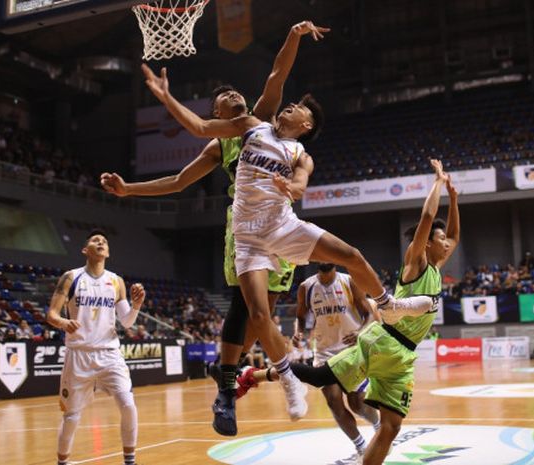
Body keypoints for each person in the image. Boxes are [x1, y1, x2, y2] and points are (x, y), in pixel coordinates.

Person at [140, 62, 434, 437]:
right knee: (257, 313)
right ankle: (284, 378)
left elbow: (299, 185)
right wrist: (166, 97)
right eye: (290, 104)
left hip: (282, 226)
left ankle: (388, 306)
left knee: (352, 256)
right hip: (245, 235)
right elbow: (202, 127)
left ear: (306, 125)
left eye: (298, 108)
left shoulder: (299, 152)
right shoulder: (250, 126)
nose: (289, 107)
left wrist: (290, 189)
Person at [101, 20, 328, 437]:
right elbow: (176, 182)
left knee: (261, 320)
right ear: (216, 114)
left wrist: (292, 35)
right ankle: (228, 391)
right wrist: (128, 189)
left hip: (279, 223)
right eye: (223, 96)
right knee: (248, 311)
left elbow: (278, 73)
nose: (233, 94)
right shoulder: (219, 142)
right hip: (243, 227)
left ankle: (227, 371)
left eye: (234, 90)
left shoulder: (262, 118)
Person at [239, 160, 459, 465]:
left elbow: (456, 235)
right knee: (320, 380)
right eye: (440, 239)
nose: (447, 243)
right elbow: (426, 216)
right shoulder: (416, 263)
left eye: (446, 240)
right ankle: (254, 375)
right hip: (382, 341)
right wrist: (437, 183)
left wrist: (455, 198)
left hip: (404, 355)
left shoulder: (438, 265)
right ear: (427, 245)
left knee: (392, 427)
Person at [46, 230, 146, 465]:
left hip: (110, 354)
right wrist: (62, 322)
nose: (100, 242)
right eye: (95, 240)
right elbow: (51, 313)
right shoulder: (71, 278)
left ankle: (130, 461)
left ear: (108, 252)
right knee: (71, 416)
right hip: (78, 355)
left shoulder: (116, 281)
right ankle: (63, 462)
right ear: (85, 250)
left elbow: (127, 322)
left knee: (128, 405)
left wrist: (137, 305)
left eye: (104, 241)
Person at [295, 263, 380, 458]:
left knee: (357, 404)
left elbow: (369, 316)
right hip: (325, 352)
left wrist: (359, 332)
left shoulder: (349, 282)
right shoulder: (306, 287)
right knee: (334, 401)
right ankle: (360, 446)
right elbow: (301, 316)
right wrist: (299, 332)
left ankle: (378, 425)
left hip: (350, 351)